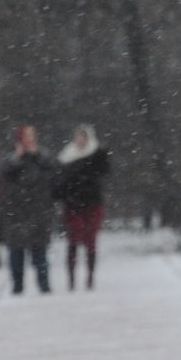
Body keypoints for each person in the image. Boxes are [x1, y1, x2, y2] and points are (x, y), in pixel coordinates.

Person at [0, 125, 60, 294]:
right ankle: (17, 286)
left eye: (32, 135)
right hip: (16, 214)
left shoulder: (43, 158)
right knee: (16, 253)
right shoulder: (10, 160)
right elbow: (4, 179)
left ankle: (44, 284)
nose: (30, 139)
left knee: (40, 252)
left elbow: (53, 176)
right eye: (26, 135)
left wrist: (37, 157)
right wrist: (18, 158)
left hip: (39, 212)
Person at [56, 124, 111, 290]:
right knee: (73, 239)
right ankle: (71, 279)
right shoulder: (66, 156)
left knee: (91, 240)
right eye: (77, 136)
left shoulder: (96, 155)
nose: (80, 140)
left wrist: (101, 153)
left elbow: (105, 170)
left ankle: (90, 277)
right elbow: (60, 182)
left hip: (92, 203)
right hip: (73, 205)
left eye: (83, 137)